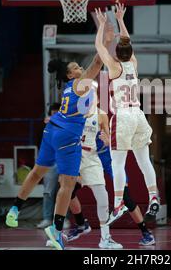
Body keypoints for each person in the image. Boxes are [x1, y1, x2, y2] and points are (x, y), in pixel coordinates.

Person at [4, 53, 104, 250]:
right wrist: (105, 38)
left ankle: (15, 209)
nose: (81, 69)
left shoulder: (67, 89)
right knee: (67, 185)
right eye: (76, 68)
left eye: (79, 67)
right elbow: (98, 62)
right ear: (69, 75)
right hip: (67, 137)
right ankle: (56, 231)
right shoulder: (79, 83)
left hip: (52, 131)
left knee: (37, 172)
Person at [94, 4, 160, 226]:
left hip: (123, 117)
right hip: (139, 115)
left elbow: (98, 46)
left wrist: (103, 25)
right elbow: (126, 42)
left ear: (117, 53)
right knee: (144, 161)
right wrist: (121, 20)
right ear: (130, 53)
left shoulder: (114, 67)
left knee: (117, 164)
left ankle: (119, 202)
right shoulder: (133, 64)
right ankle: (153, 197)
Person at [61, 98, 155, 247]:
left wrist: (108, 140)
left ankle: (145, 232)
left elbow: (114, 139)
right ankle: (81, 224)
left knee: (126, 197)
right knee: (68, 190)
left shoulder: (102, 116)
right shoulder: (78, 116)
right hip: (90, 160)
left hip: (108, 160)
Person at [36, 103, 70, 230]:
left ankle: (65, 219)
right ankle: (47, 218)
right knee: (48, 191)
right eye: (53, 113)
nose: (55, 115)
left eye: (58, 113)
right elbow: (40, 142)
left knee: (65, 191)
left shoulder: (68, 125)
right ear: (50, 114)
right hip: (50, 161)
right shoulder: (46, 126)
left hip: (65, 160)